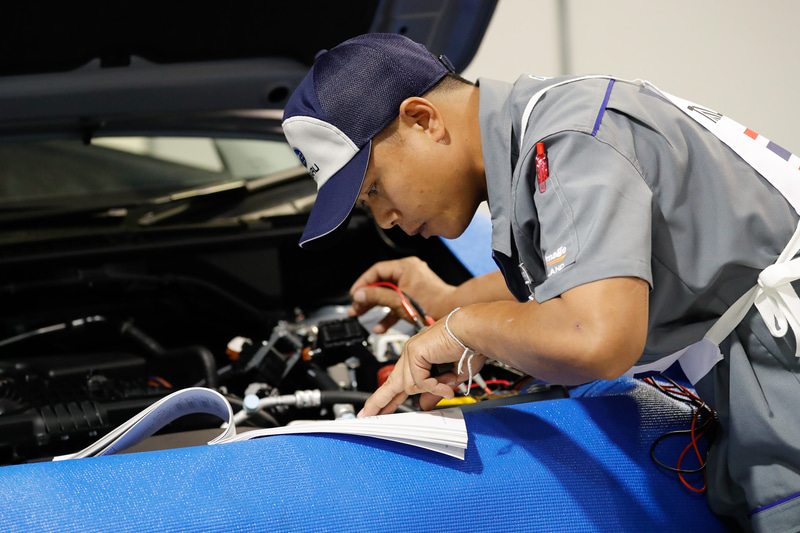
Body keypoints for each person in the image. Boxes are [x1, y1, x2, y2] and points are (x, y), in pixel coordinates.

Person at [282, 33, 800, 532]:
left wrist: (466, 328)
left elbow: (594, 338)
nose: (385, 218)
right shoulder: (548, 123)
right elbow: (579, 269)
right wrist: (444, 302)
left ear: (423, 120)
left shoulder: (569, 143)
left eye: (373, 189)